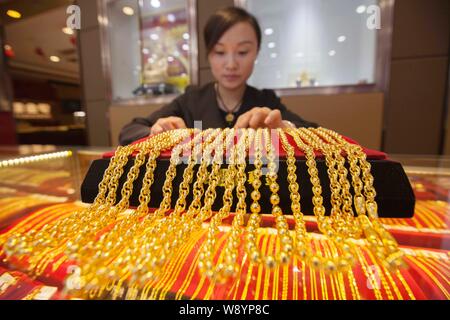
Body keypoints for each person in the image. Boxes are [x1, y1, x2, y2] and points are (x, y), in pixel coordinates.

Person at [119, 6, 317, 146]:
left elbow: (315, 133)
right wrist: (156, 132)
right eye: (220, 52)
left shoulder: (265, 101)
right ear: (208, 54)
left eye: (242, 52)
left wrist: (285, 127)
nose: (231, 64)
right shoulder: (192, 100)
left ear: (256, 52)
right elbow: (129, 131)